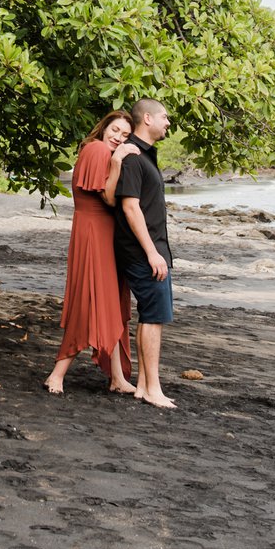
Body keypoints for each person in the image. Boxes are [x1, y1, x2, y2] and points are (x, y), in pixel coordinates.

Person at [42, 111, 136, 395]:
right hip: (94, 232)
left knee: (111, 303)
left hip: (102, 232)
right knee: (88, 300)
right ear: (104, 127)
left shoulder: (101, 152)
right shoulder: (96, 149)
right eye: (115, 130)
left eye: (125, 136)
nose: (118, 137)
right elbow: (107, 198)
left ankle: (117, 378)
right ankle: (57, 373)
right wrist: (118, 160)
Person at [110, 98, 177, 408]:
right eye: (164, 117)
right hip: (143, 251)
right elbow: (129, 207)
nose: (168, 122)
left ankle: (144, 386)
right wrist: (152, 253)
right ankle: (152, 389)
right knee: (153, 317)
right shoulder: (134, 157)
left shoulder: (144, 155)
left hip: (150, 248)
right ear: (147, 119)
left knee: (153, 316)